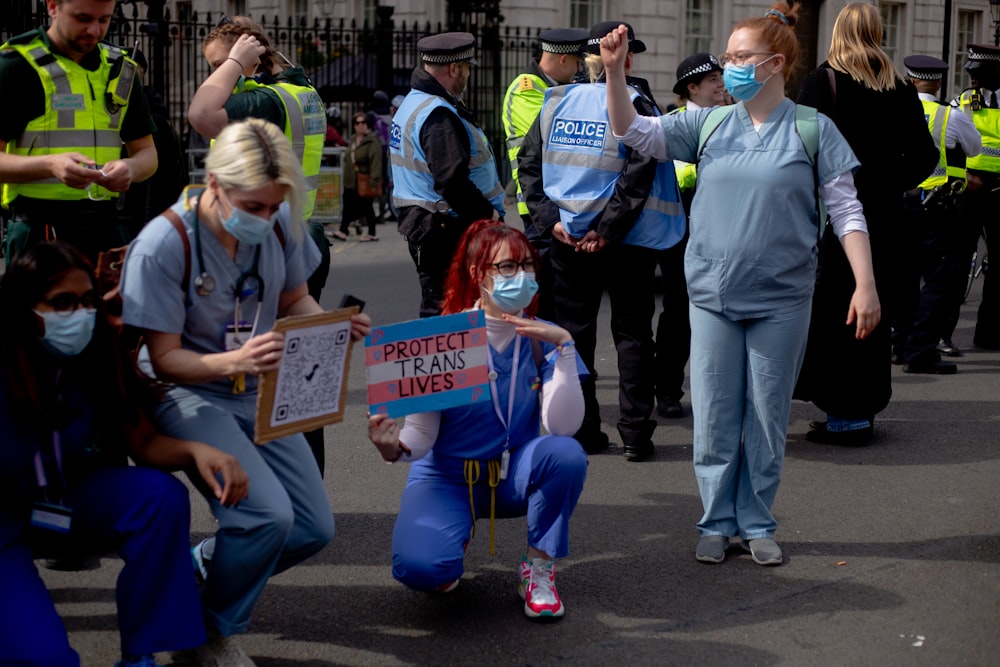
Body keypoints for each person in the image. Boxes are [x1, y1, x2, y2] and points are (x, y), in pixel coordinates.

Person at [600, 4, 880, 564]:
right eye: (727, 57)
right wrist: (614, 73)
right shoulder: (706, 123)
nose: (728, 67)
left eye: (739, 57)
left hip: (781, 300)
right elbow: (632, 131)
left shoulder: (812, 128)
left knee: (767, 414)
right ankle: (715, 520)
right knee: (715, 414)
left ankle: (755, 521)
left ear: (775, 63)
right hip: (711, 297)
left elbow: (847, 212)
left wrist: (865, 284)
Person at [120, 118, 371, 665]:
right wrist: (235, 358)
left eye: (272, 205)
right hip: (182, 389)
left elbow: (293, 301)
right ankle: (206, 632)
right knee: (265, 517)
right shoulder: (164, 243)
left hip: (251, 383)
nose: (265, 217)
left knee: (310, 526)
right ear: (214, 183)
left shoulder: (279, 219)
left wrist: (329, 324)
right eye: (252, 206)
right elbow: (163, 358)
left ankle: (202, 564)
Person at [0, 241, 248, 667]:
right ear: (23, 307)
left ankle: (142, 655)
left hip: (61, 499)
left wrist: (198, 451)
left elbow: (144, 443)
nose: (78, 314)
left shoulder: (95, 352)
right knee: (45, 660)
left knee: (157, 497)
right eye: (61, 303)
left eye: (86, 301)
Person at [366, 220, 588, 619]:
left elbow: (563, 428)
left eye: (526, 266)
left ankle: (538, 569)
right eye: (507, 267)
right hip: (448, 480)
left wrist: (565, 348)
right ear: (477, 274)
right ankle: (453, 538)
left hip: (511, 476)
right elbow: (419, 434)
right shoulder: (443, 340)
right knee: (421, 569)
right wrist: (391, 447)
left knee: (567, 454)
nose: (520, 276)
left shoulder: (545, 337)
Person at [518, 21, 686, 461]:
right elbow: (639, 174)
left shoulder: (554, 102)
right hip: (627, 241)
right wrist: (607, 229)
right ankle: (635, 433)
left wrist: (550, 219)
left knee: (574, 336)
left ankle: (581, 428)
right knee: (632, 334)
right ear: (623, 58)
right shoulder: (635, 102)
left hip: (566, 239)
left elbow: (528, 165)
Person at [188, 16, 335, 474]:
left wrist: (235, 63)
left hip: (273, 237)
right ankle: (308, 476)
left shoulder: (263, 99)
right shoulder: (299, 88)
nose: (218, 78)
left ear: (250, 58)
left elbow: (200, 116)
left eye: (222, 66)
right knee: (300, 363)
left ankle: (281, 478)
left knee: (265, 365)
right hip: (305, 233)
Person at [795, 2, 938, 445]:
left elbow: (799, 144)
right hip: (886, 215)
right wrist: (886, 182)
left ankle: (843, 412)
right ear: (879, 31)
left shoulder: (824, 81)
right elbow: (925, 156)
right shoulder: (898, 86)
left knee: (833, 308)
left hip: (835, 215)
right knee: (873, 309)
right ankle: (860, 411)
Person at [0, 0, 158, 264]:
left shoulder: (120, 69)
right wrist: (50, 165)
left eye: (104, 20)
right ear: (53, 7)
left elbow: (147, 154)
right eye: (83, 18)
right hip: (39, 233)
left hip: (106, 230)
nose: (94, 30)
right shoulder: (16, 67)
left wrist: (130, 168)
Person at [390, 31, 505, 318]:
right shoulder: (438, 114)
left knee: (444, 310)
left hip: (426, 223)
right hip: (443, 228)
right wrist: (488, 215)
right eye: (466, 68)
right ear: (454, 69)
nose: (468, 75)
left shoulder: (414, 102)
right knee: (448, 313)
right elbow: (451, 180)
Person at [892, 55, 981, 374]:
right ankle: (921, 349)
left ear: (910, 79)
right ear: (939, 82)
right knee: (938, 281)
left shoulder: (894, 111)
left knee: (903, 278)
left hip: (900, 204)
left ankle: (899, 345)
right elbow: (975, 149)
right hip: (937, 208)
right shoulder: (949, 116)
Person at [654, 52, 725, 420]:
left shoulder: (736, 121)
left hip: (725, 228)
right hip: (680, 228)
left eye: (721, 76)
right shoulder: (670, 124)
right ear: (692, 88)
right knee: (680, 309)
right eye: (712, 79)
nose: (721, 83)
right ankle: (666, 388)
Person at [500, 28, 588, 318]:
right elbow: (552, 139)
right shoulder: (526, 89)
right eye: (577, 63)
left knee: (565, 298)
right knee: (546, 300)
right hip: (539, 208)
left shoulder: (553, 88)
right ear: (563, 60)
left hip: (559, 204)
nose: (579, 71)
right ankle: (543, 358)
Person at [951, 43, 1000, 351]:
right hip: (970, 189)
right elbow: (951, 140)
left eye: (979, 74)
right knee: (956, 261)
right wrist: (964, 177)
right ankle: (942, 334)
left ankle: (990, 333)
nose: (972, 79)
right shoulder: (961, 102)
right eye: (971, 73)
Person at [329, 111, 383, 242]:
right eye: (357, 123)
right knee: (348, 205)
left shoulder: (372, 141)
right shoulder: (353, 139)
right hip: (351, 180)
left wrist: (374, 180)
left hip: (364, 179)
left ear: (367, 124)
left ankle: (372, 233)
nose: (360, 125)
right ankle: (343, 230)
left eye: (362, 122)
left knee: (366, 205)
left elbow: (376, 161)